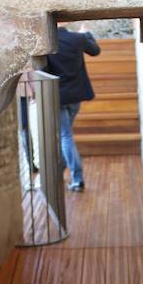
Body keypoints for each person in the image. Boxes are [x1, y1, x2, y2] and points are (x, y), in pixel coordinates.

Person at [44, 23, 101, 191]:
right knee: (66, 136)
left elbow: (43, 68)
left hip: (57, 97)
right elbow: (95, 51)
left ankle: (77, 179)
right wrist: (87, 34)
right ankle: (59, 172)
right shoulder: (78, 38)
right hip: (76, 96)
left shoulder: (46, 41)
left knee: (66, 136)